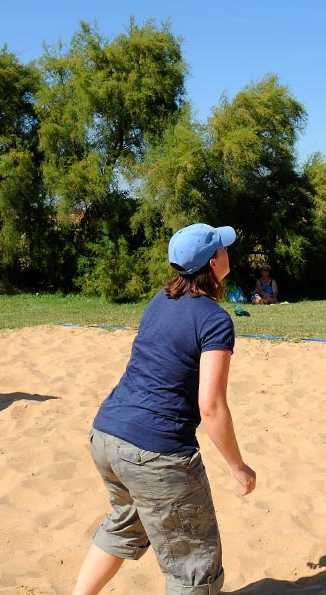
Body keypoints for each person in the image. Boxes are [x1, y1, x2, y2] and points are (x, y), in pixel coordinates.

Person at [72, 223, 257, 595]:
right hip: (155, 452)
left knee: (126, 525)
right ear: (213, 261)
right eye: (222, 248)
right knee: (195, 567)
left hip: (107, 435)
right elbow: (212, 406)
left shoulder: (160, 299)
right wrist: (238, 467)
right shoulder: (215, 320)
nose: (227, 252)